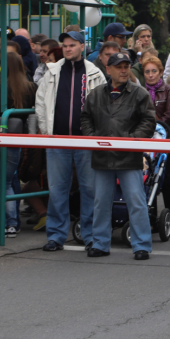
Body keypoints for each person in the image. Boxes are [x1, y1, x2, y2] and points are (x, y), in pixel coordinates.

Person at [80, 51, 157, 259]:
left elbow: (149, 121)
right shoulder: (96, 94)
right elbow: (85, 118)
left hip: (129, 156)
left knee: (136, 201)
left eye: (126, 66)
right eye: (119, 66)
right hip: (102, 155)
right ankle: (100, 243)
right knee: (101, 201)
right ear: (109, 69)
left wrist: (132, 140)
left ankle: (141, 245)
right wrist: (94, 138)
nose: (124, 70)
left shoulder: (139, 94)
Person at [35, 31, 107, 252]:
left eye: (72, 45)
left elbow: (104, 106)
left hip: (86, 141)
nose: (67, 49)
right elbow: (40, 102)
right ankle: (56, 236)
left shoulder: (95, 73)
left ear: (82, 47)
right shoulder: (52, 72)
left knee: (89, 189)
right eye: (65, 45)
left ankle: (91, 236)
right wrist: (46, 130)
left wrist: (95, 135)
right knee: (57, 190)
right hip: (57, 139)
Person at [0, 52, 36, 237]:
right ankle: (12, 224)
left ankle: (1, 225)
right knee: (8, 183)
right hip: (16, 140)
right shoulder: (31, 88)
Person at [142, 55, 170, 237]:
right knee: (148, 180)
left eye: (154, 71)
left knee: (167, 181)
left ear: (160, 72)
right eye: (147, 71)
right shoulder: (139, 91)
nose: (150, 75)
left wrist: (153, 127)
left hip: (163, 138)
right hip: (145, 140)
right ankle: (149, 222)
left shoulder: (169, 91)